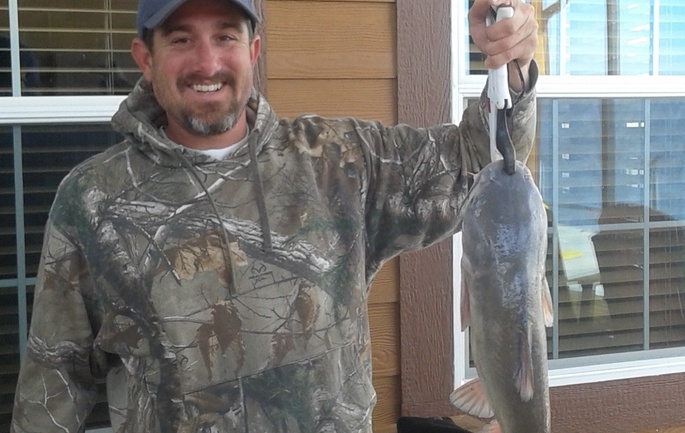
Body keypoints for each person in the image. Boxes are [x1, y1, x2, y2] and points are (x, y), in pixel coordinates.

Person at [10, 0, 538, 431]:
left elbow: (476, 164)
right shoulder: (94, 201)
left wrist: (510, 71)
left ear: (253, 51)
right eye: (180, 39)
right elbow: (54, 387)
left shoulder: (340, 162)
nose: (207, 62)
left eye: (225, 36)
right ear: (145, 59)